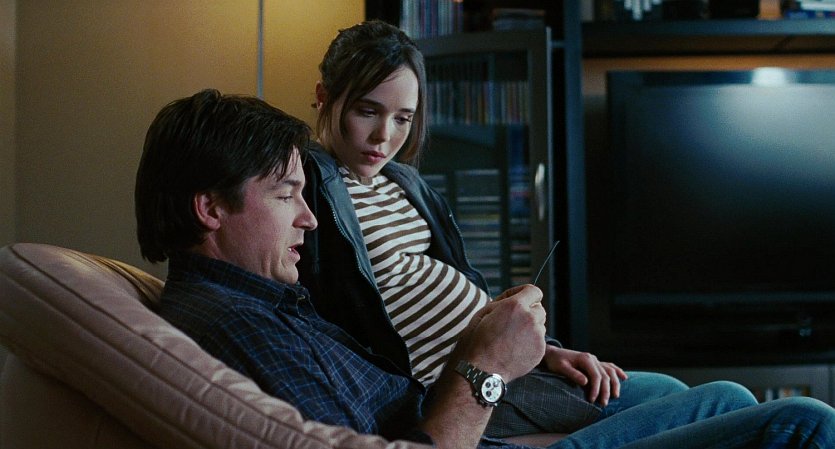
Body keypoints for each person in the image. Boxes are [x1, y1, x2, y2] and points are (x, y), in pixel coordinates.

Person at [135, 88, 835, 449]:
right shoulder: (236, 330)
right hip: (476, 419)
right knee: (800, 425)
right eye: (286, 194)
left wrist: (528, 367)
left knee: (725, 398)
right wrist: (487, 364)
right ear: (210, 207)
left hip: (486, 428)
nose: (308, 217)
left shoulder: (263, 303)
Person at [297, 19, 684, 436]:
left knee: (669, 390)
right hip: (455, 390)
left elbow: (464, 283)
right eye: (367, 111)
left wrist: (544, 352)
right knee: (700, 402)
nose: (384, 136)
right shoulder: (306, 185)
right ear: (323, 97)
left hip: (500, 365)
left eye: (403, 118)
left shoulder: (402, 180)